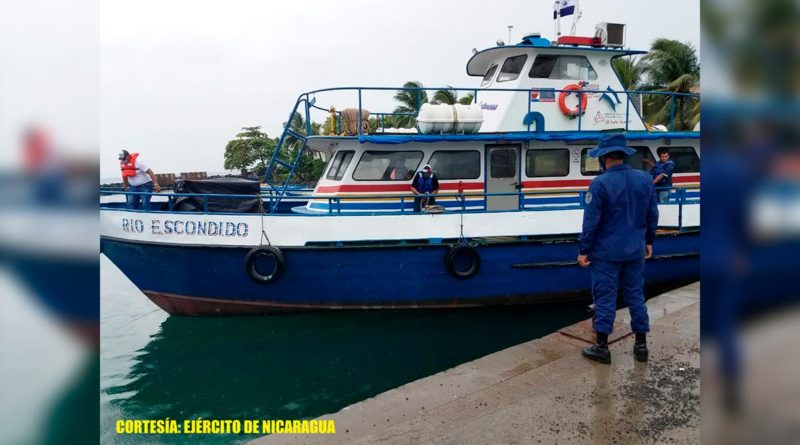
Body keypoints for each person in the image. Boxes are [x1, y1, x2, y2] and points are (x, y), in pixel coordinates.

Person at [577, 134, 659, 364]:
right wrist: (649, 241)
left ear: (603, 158)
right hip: (635, 250)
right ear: (623, 155)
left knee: (605, 297)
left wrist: (584, 250)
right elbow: (652, 215)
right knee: (635, 294)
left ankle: (602, 347)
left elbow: (591, 223)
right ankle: (641, 345)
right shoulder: (644, 179)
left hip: (606, 253)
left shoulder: (600, 184)